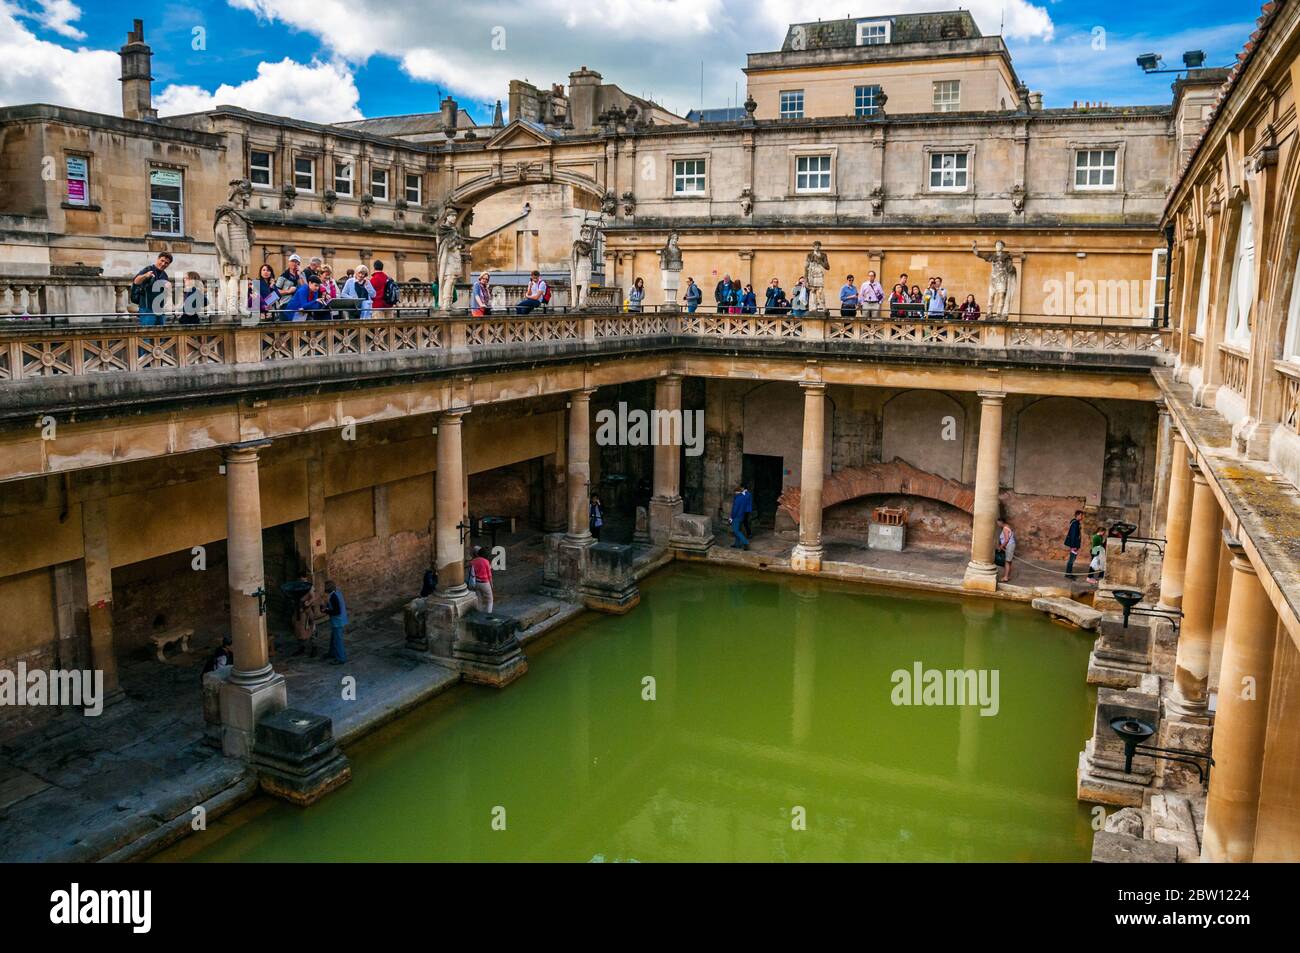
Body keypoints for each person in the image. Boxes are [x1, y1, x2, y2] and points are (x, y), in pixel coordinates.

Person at [131, 252, 173, 326]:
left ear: (168, 264)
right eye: (162, 261)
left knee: (161, 334)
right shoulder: (148, 269)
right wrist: (146, 275)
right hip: (147, 308)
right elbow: (136, 281)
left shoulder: (164, 274)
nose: (163, 264)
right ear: (157, 259)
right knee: (148, 334)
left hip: (160, 309)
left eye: (166, 263)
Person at [293, 580, 323, 658]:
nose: (303, 581)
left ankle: (314, 648)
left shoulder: (310, 587)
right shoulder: (297, 587)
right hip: (299, 612)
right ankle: (301, 647)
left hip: (308, 611)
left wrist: (308, 603)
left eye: (304, 579)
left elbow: (314, 597)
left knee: (312, 629)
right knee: (299, 629)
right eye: (301, 579)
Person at [323, 580, 348, 664]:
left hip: (338, 621)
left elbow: (336, 611)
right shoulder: (337, 593)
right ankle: (332, 653)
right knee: (334, 638)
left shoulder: (333, 597)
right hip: (339, 620)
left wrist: (326, 611)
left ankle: (341, 658)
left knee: (338, 640)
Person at [470, 546, 494, 613]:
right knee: (490, 600)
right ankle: (488, 614)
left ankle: (479, 615)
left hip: (476, 583)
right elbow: (489, 575)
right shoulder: (486, 562)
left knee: (479, 600)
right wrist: (491, 584)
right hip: (485, 583)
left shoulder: (473, 561)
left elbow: (471, 568)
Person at [728, 486, 750, 550]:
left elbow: (735, 509)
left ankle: (745, 542)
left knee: (736, 531)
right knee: (738, 530)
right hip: (741, 516)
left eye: (735, 492)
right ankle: (737, 544)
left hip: (736, 517)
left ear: (736, 492)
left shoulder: (737, 498)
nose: (734, 494)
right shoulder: (744, 497)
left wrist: (731, 517)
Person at [1064, 510, 1084, 577]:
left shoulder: (1076, 522)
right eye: (1081, 515)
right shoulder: (1075, 523)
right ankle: (1068, 574)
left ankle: (1069, 573)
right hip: (1074, 545)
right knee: (1071, 560)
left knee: (1072, 559)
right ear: (1077, 515)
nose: (1082, 517)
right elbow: (1073, 536)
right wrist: (1073, 546)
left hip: (1075, 544)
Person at [996, 518, 1016, 583]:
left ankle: (1005, 577)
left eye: (998, 523)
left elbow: (1007, 539)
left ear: (1001, 522)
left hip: (1009, 546)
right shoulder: (1007, 526)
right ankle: (1008, 576)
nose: (998, 524)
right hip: (1010, 545)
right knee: (1008, 561)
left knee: (1007, 562)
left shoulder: (1005, 528)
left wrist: (1001, 547)